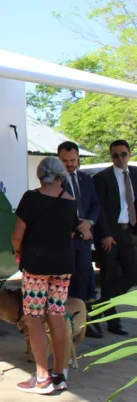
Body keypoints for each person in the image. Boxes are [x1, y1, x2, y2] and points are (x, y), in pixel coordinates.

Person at [11, 156, 90, 394]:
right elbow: (71, 231)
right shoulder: (69, 201)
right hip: (63, 266)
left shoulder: (31, 197)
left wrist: (18, 252)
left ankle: (42, 377)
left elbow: (17, 234)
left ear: (40, 175)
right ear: (61, 176)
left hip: (36, 266)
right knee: (57, 315)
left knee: (34, 318)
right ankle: (59, 374)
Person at [56, 141, 103, 338]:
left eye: (73, 160)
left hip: (84, 240)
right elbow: (56, 209)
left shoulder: (86, 179)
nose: (70, 164)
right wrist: (78, 226)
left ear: (78, 159)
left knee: (83, 280)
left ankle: (82, 324)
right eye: (65, 161)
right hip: (65, 241)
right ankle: (63, 325)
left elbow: (95, 204)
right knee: (65, 283)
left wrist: (89, 223)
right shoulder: (54, 181)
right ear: (58, 160)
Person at [92, 139, 137, 336]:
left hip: (128, 232)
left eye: (123, 154)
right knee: (109, 278)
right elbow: (98, 209)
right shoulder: (102, 178)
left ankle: (98, 306)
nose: (119, 158)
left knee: (132, 275)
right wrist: (105, 234)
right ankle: (113, 322)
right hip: (109, 234)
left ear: (129, 154)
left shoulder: (135, 174)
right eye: (115, 155)